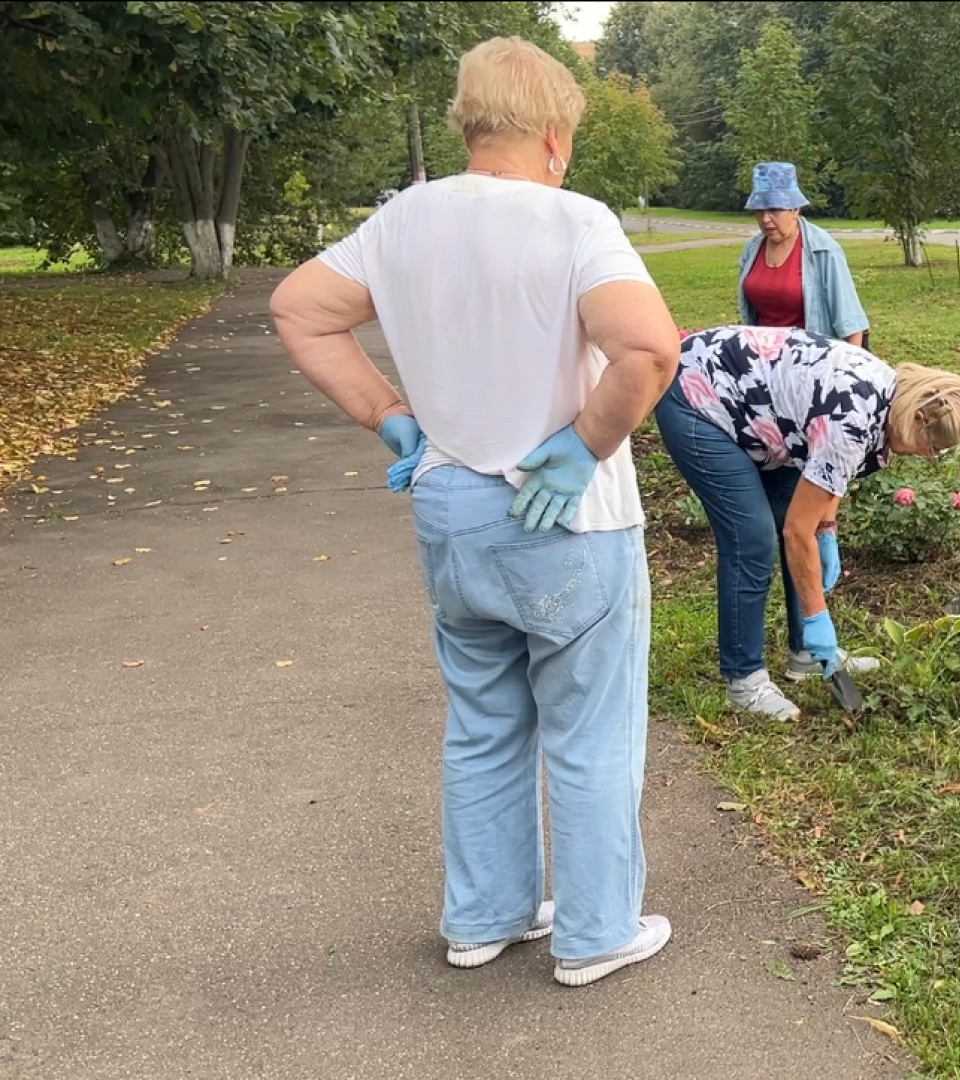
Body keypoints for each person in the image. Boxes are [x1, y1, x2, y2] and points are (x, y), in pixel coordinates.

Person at [268, 37, 683, 988]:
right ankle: (594, 932)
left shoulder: (400, 222)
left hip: (450, 507)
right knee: (590, 730)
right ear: (551, 136)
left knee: (484, 723)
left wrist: (389, 414)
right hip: (563, 518)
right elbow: (648, 351)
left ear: (470, 127)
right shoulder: (573, 221)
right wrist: (585, 442)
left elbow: (300, 309)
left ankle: (483, 917)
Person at [654, 325, 960, 720]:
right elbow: (797, 528)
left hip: (762, 411)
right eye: (934, 448)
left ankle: (804, 654)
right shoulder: (855, 419)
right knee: (753, 537)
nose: (930, 459)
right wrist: (818, 614)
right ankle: (745, 680)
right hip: (698, 394)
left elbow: (827, 472)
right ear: (919, 418)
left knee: (796, 523)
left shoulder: (884, 397)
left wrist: (826, 530)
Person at [737, 162, 870, 348]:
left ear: (795, 209)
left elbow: (850, 323)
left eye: (775, 209)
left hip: (811, 360)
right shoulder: (752, 248)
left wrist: (847, 370)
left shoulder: (823, 249)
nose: (765, 219)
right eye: (759, 211)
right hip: (762, 360)